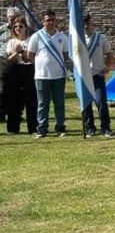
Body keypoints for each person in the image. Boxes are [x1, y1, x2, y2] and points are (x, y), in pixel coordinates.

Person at [27, 10, 68, 138]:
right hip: (42, 76)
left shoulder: (62, 36)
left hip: (58, 75)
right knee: (43, 103)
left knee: (59, 103)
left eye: (52, 20)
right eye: (48, 20)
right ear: (42, 22)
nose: (50, 22)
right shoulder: (36, 36)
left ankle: (60, 127)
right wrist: (41, 64)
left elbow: (65, 54)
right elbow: (30, 55)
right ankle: (42, 128)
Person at [82, 13, 114, 138]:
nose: (85, 26)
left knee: (101, 102)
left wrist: (107, 67)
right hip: (84, 76)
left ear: (91, 23)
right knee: (86, 104)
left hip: (97, 75)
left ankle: (106, 127)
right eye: (83, 24)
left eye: (86, 23)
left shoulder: (101, 38)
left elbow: (109, 54)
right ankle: (90, 128)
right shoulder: (78, 39)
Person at [4, 16, 37, 134]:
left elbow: (29, 59)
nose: (18, 28)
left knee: (30, 98)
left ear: (25, 27)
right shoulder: (11, 42)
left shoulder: (30, 40)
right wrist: (16, 53)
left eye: (20, 26)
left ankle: (33, 127)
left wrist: (21, 52)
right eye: (15, 26)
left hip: (28, 70)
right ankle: (13, 127)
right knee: (13, 99)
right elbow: (9, 59)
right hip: (15, 70)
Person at [0, 7, 24, 124]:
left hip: (19, 63)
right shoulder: (2, 30)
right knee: (3, 89)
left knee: (18, 90)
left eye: (14, 18)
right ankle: (2, 113)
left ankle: (17, 113)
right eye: (10, 18)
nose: (11, 20)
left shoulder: (22, 30)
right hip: (4, 62)